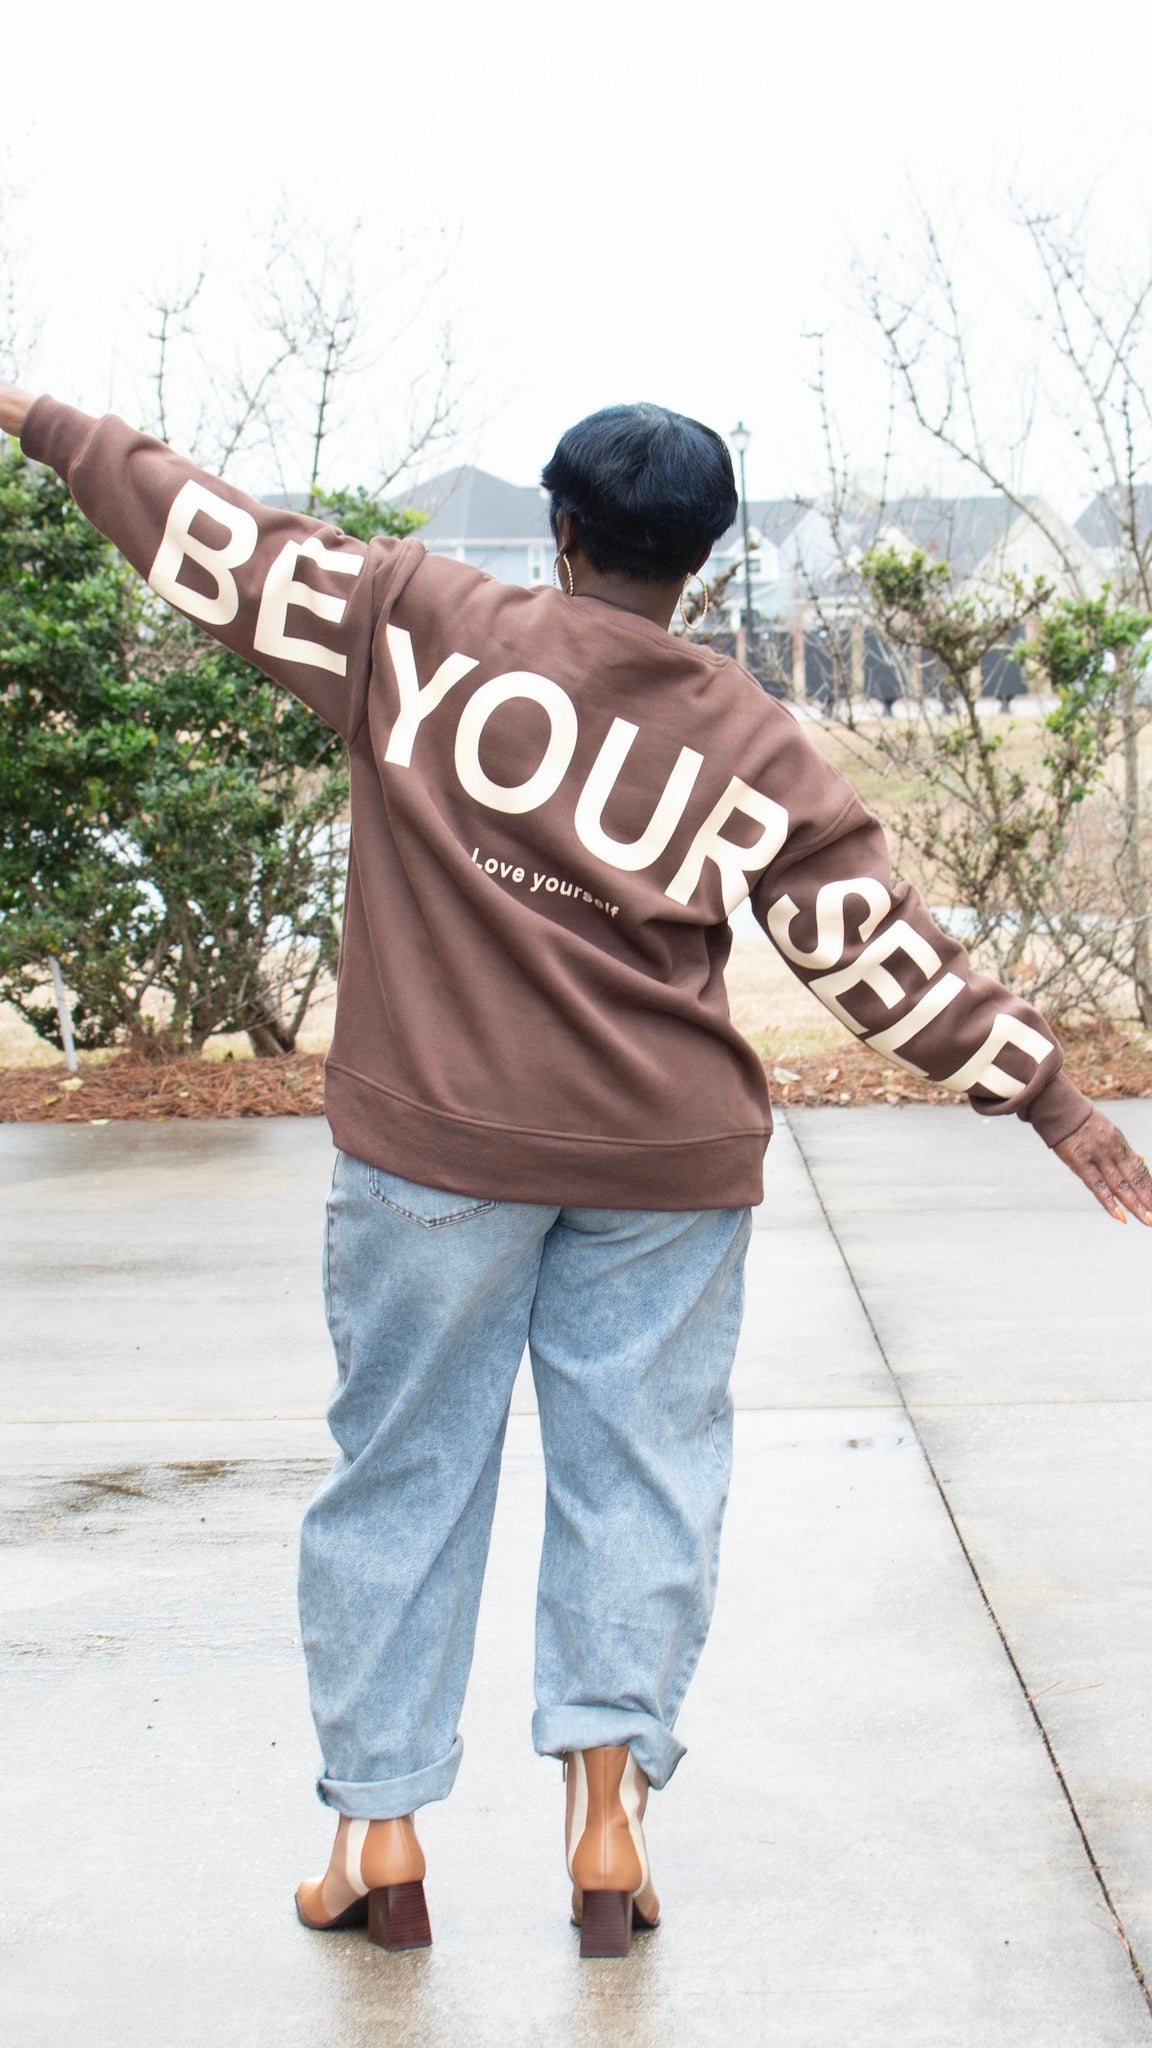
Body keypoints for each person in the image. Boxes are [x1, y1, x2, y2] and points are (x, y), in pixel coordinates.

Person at [2, 380, 1148, 1962]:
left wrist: (49, 423)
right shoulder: (748, 738)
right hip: (666, 1166)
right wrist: (1054, 1100)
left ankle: (380, 1835)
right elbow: (874, 956)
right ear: (702, 565)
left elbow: (214, 539)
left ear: (558, 527)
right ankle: (607, 1827)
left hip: (432, 1150)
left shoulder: (413, 621)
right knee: (641, 1479)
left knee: (404, 1471)